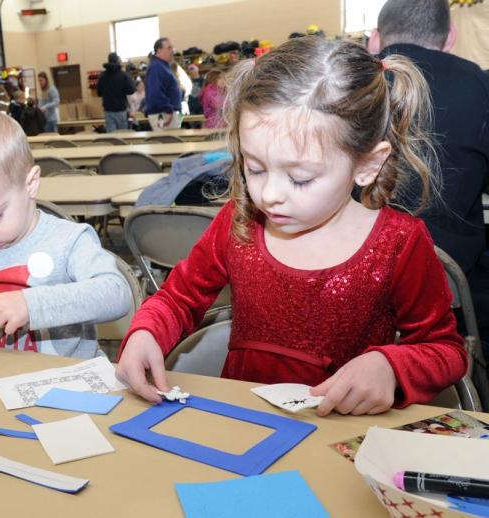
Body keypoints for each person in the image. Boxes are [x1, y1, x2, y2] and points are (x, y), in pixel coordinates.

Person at [115, 36, 468, 416]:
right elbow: (177, 299)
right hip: (243, 426)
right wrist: (146, 331)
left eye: (300, 178)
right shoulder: (240, 222)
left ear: (367, 165)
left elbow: (444, 350)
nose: (269, 195)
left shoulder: (399, 243)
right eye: (254, 168)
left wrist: (391, 366)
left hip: (339, 438)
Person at [0, 109, 131, 358]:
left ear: (31, 184)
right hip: (4, 384)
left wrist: (32, 305)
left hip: (76, 381)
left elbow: (116, 293)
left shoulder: (68, 240)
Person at [369, 0, 489, 360]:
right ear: (450, 38)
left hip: (344, 272)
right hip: (448, 280)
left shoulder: (348, 82)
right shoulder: (480, 85)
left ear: (375, 39)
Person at [144, 37, 182, 129]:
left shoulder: (163, 66)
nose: (172, 51)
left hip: (166, 112)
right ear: (159, 50)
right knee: (167, 141)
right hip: (162, 113)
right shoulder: (156, 67)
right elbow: (156, 92)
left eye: (172, 48)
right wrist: (168, 110)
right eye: (169, 48)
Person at [97, 52, 136, 133]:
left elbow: (99, 93)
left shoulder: (102, 76)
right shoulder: (123, 75)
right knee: (123, 136)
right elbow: (131, 90)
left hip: (108, 111)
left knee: (112, 138)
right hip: (121, 110)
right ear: (118, 61)